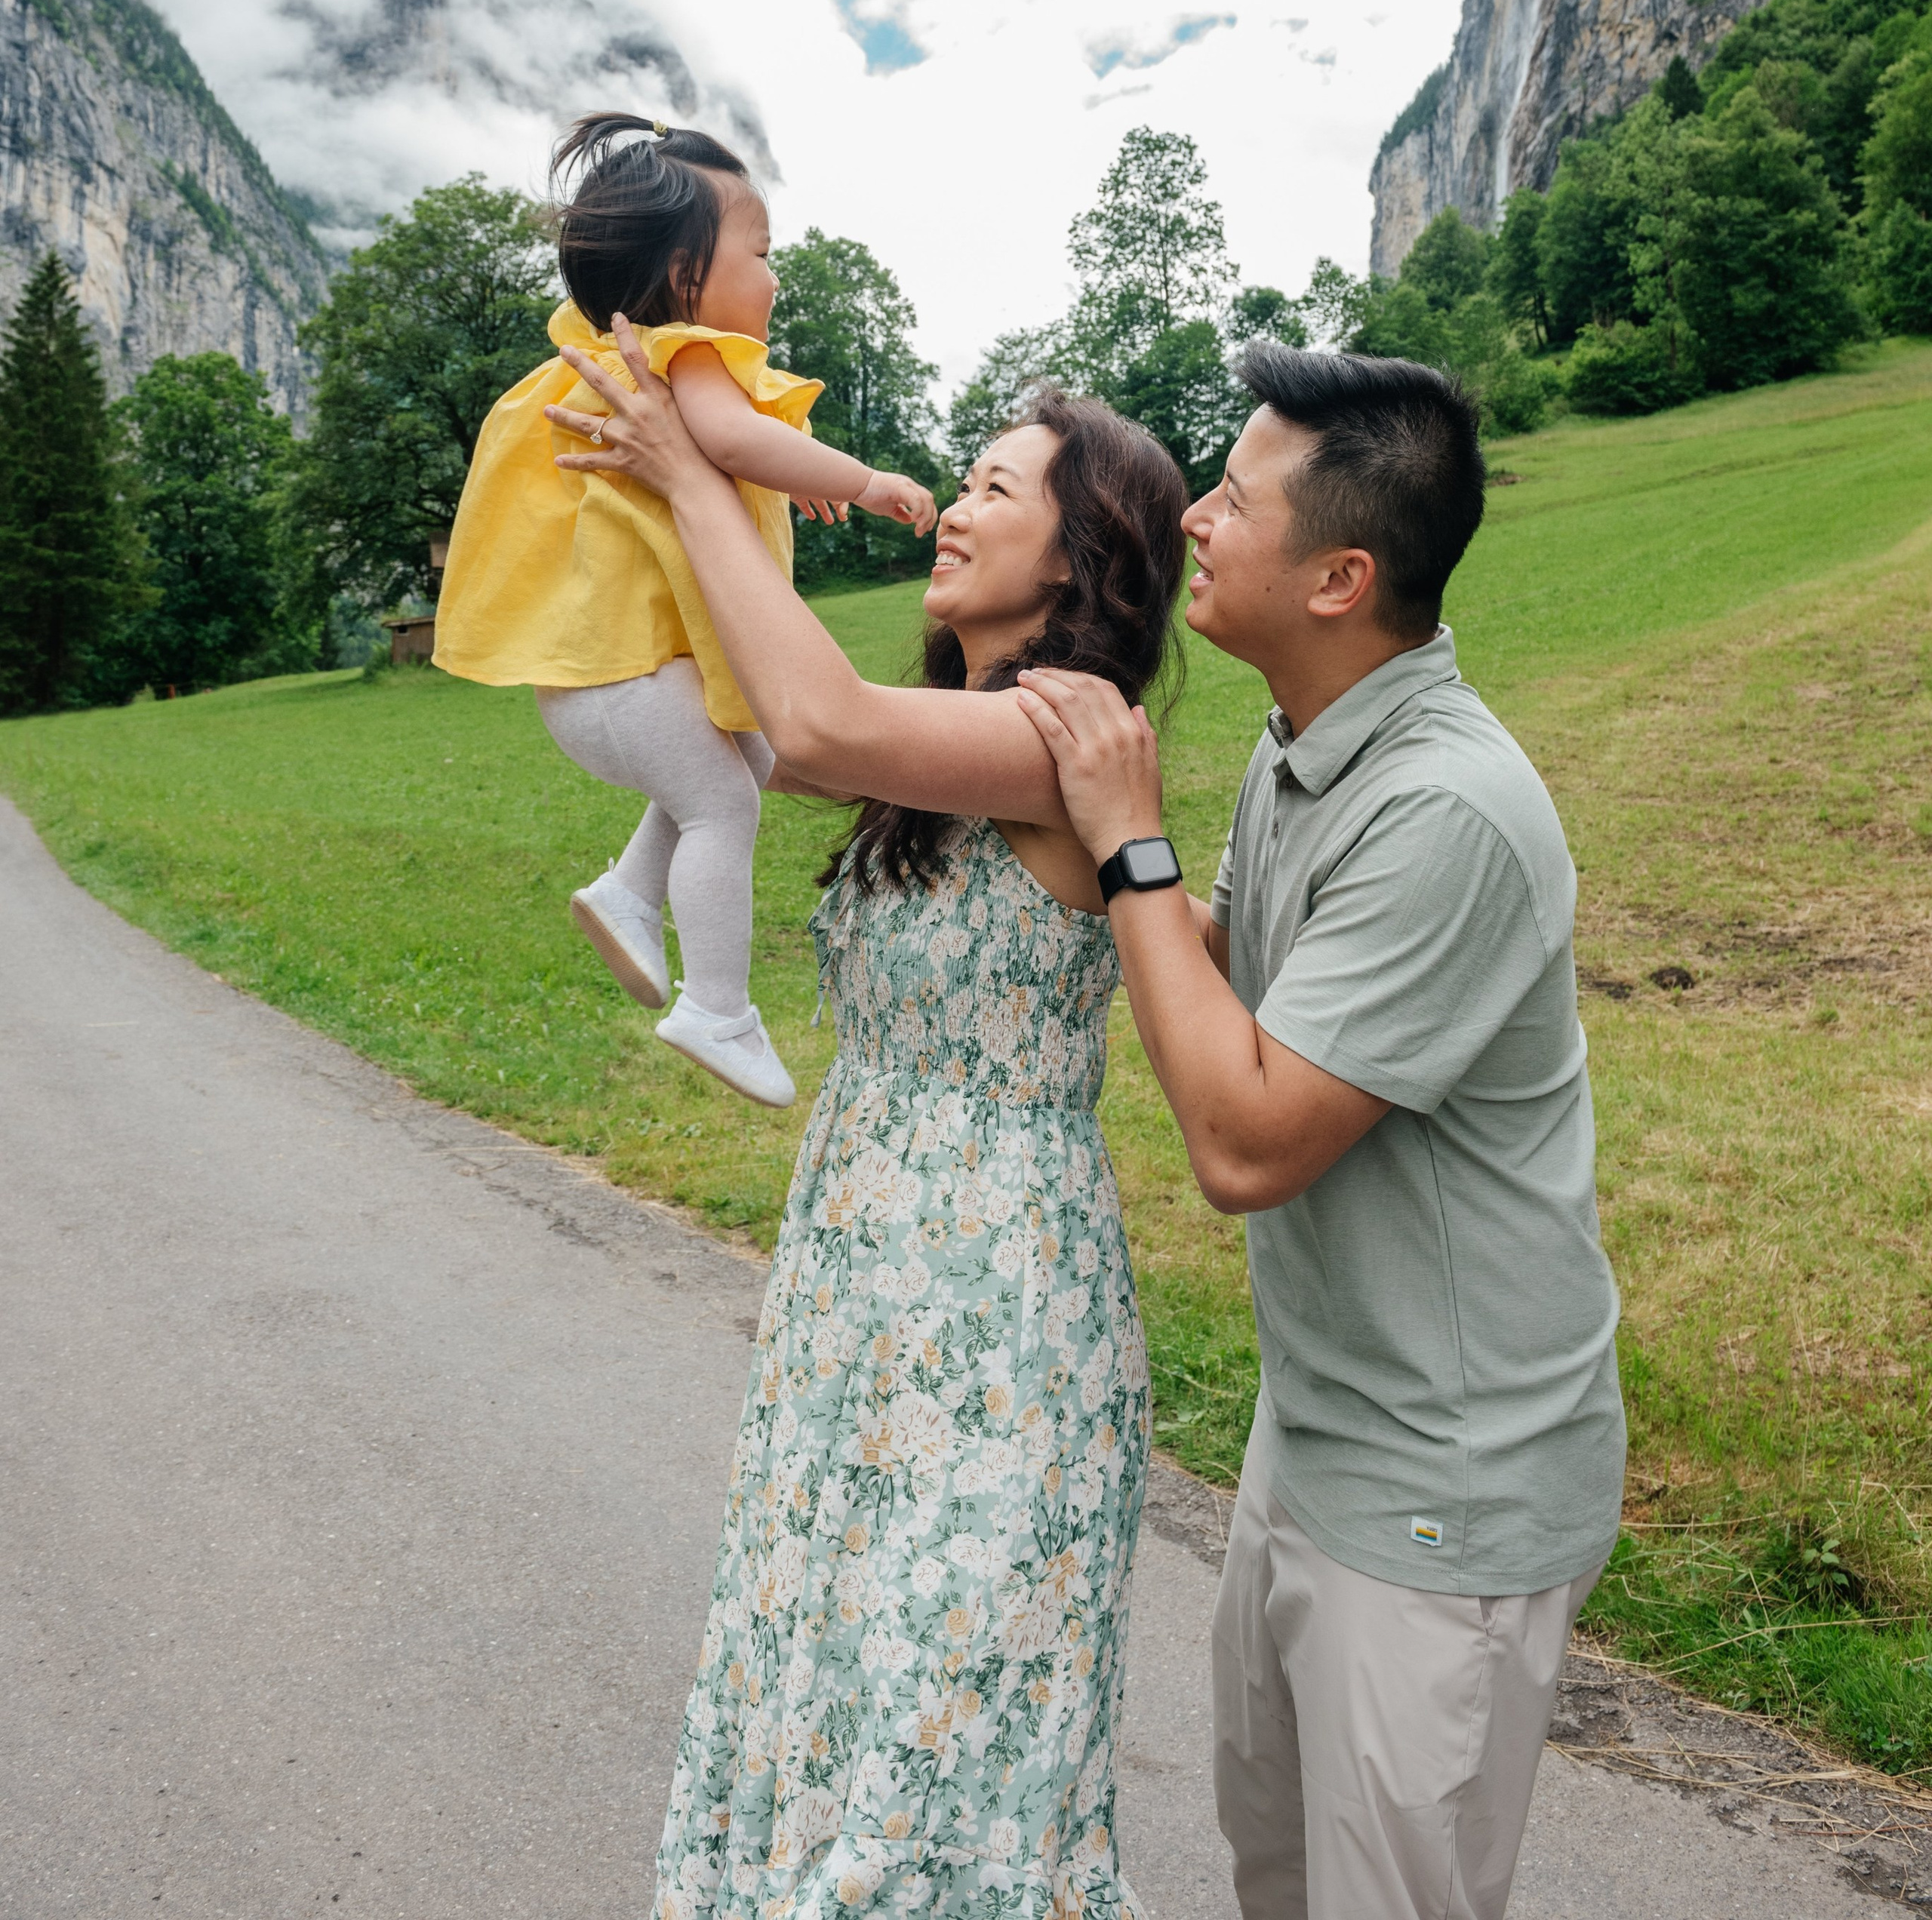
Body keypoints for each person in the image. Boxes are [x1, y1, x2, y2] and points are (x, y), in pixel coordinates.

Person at [543, 335, 1188, 1920]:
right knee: (825, 1676)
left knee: (938, 1726)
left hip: (997, 1309)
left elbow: (811, 724)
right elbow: (748, 715)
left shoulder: (1056, 737)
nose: (951, 510)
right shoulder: (935, 738)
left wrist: (696, 471)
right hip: (858, 1286)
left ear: (1080, 559)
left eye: (990, 488)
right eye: (959, 482)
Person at [1011, 343, 1626, 1920]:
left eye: (1232, 496)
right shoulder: (1303, 743)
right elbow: (1234, 973)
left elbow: (1244, 1141)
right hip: (1320, 1426)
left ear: (1342, 573)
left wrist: (1133, 851)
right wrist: (1057, 820)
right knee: (1277, 1873)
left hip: (1445, 1483)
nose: (1195, 519)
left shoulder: (1443, 809)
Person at [434, 115, 936, 1105]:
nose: (775, 276)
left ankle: (627, 895)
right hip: (623, 680)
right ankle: (718, 1008)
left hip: (605, 684)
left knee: (743, 755)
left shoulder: (609, 356)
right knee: (727, 802)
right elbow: (739, 443)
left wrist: (791, 474)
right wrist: (864, 476)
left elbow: (728, 450)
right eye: (760, 252)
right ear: (684, 276)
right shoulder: (684, 355)